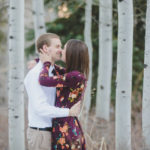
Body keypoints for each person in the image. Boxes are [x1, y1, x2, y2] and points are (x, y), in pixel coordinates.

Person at [24, 33, 81, 150]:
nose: (60, 50)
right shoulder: (35, 74)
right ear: (45, 48)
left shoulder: (54, 72)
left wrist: (38, 60)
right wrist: (68, 112)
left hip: (54, 132)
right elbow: (40, 108)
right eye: (57, 46)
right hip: (41, 134)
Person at [39, 39, 89, 150]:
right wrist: (41, 60)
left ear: (72, 54)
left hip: (65, 128)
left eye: (64, 48)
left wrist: (46, 63)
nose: (61, 50)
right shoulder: (73, 74)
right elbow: (57, 69)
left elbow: (43, 80)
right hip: (65, 124)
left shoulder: (74, 76)